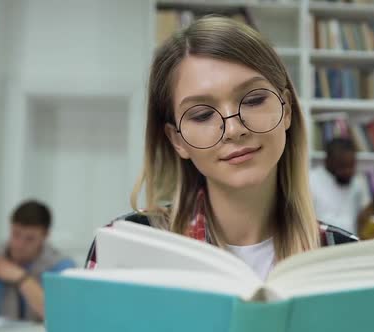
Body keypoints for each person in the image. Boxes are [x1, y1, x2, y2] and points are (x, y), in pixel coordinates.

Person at [85, 16, 358, 279]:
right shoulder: (123, 250)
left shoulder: (349, 259)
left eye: (253, 100)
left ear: (286, 109)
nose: (234, 129)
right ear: (177, 140)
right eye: (202, 115)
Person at [0, 201, 75, 321]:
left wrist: (21, 278)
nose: (20, 245)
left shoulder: (62, 268)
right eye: (16, 234)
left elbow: (59, 315)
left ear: (45, 236)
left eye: (29, 239)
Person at [309, 138, 370, 234]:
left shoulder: (357, 183)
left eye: (351, 166)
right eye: (343, 166)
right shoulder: (311, 181)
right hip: (321, 244)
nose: (348, 171)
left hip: (352, 244)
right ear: (328, 162)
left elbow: (364, 218)